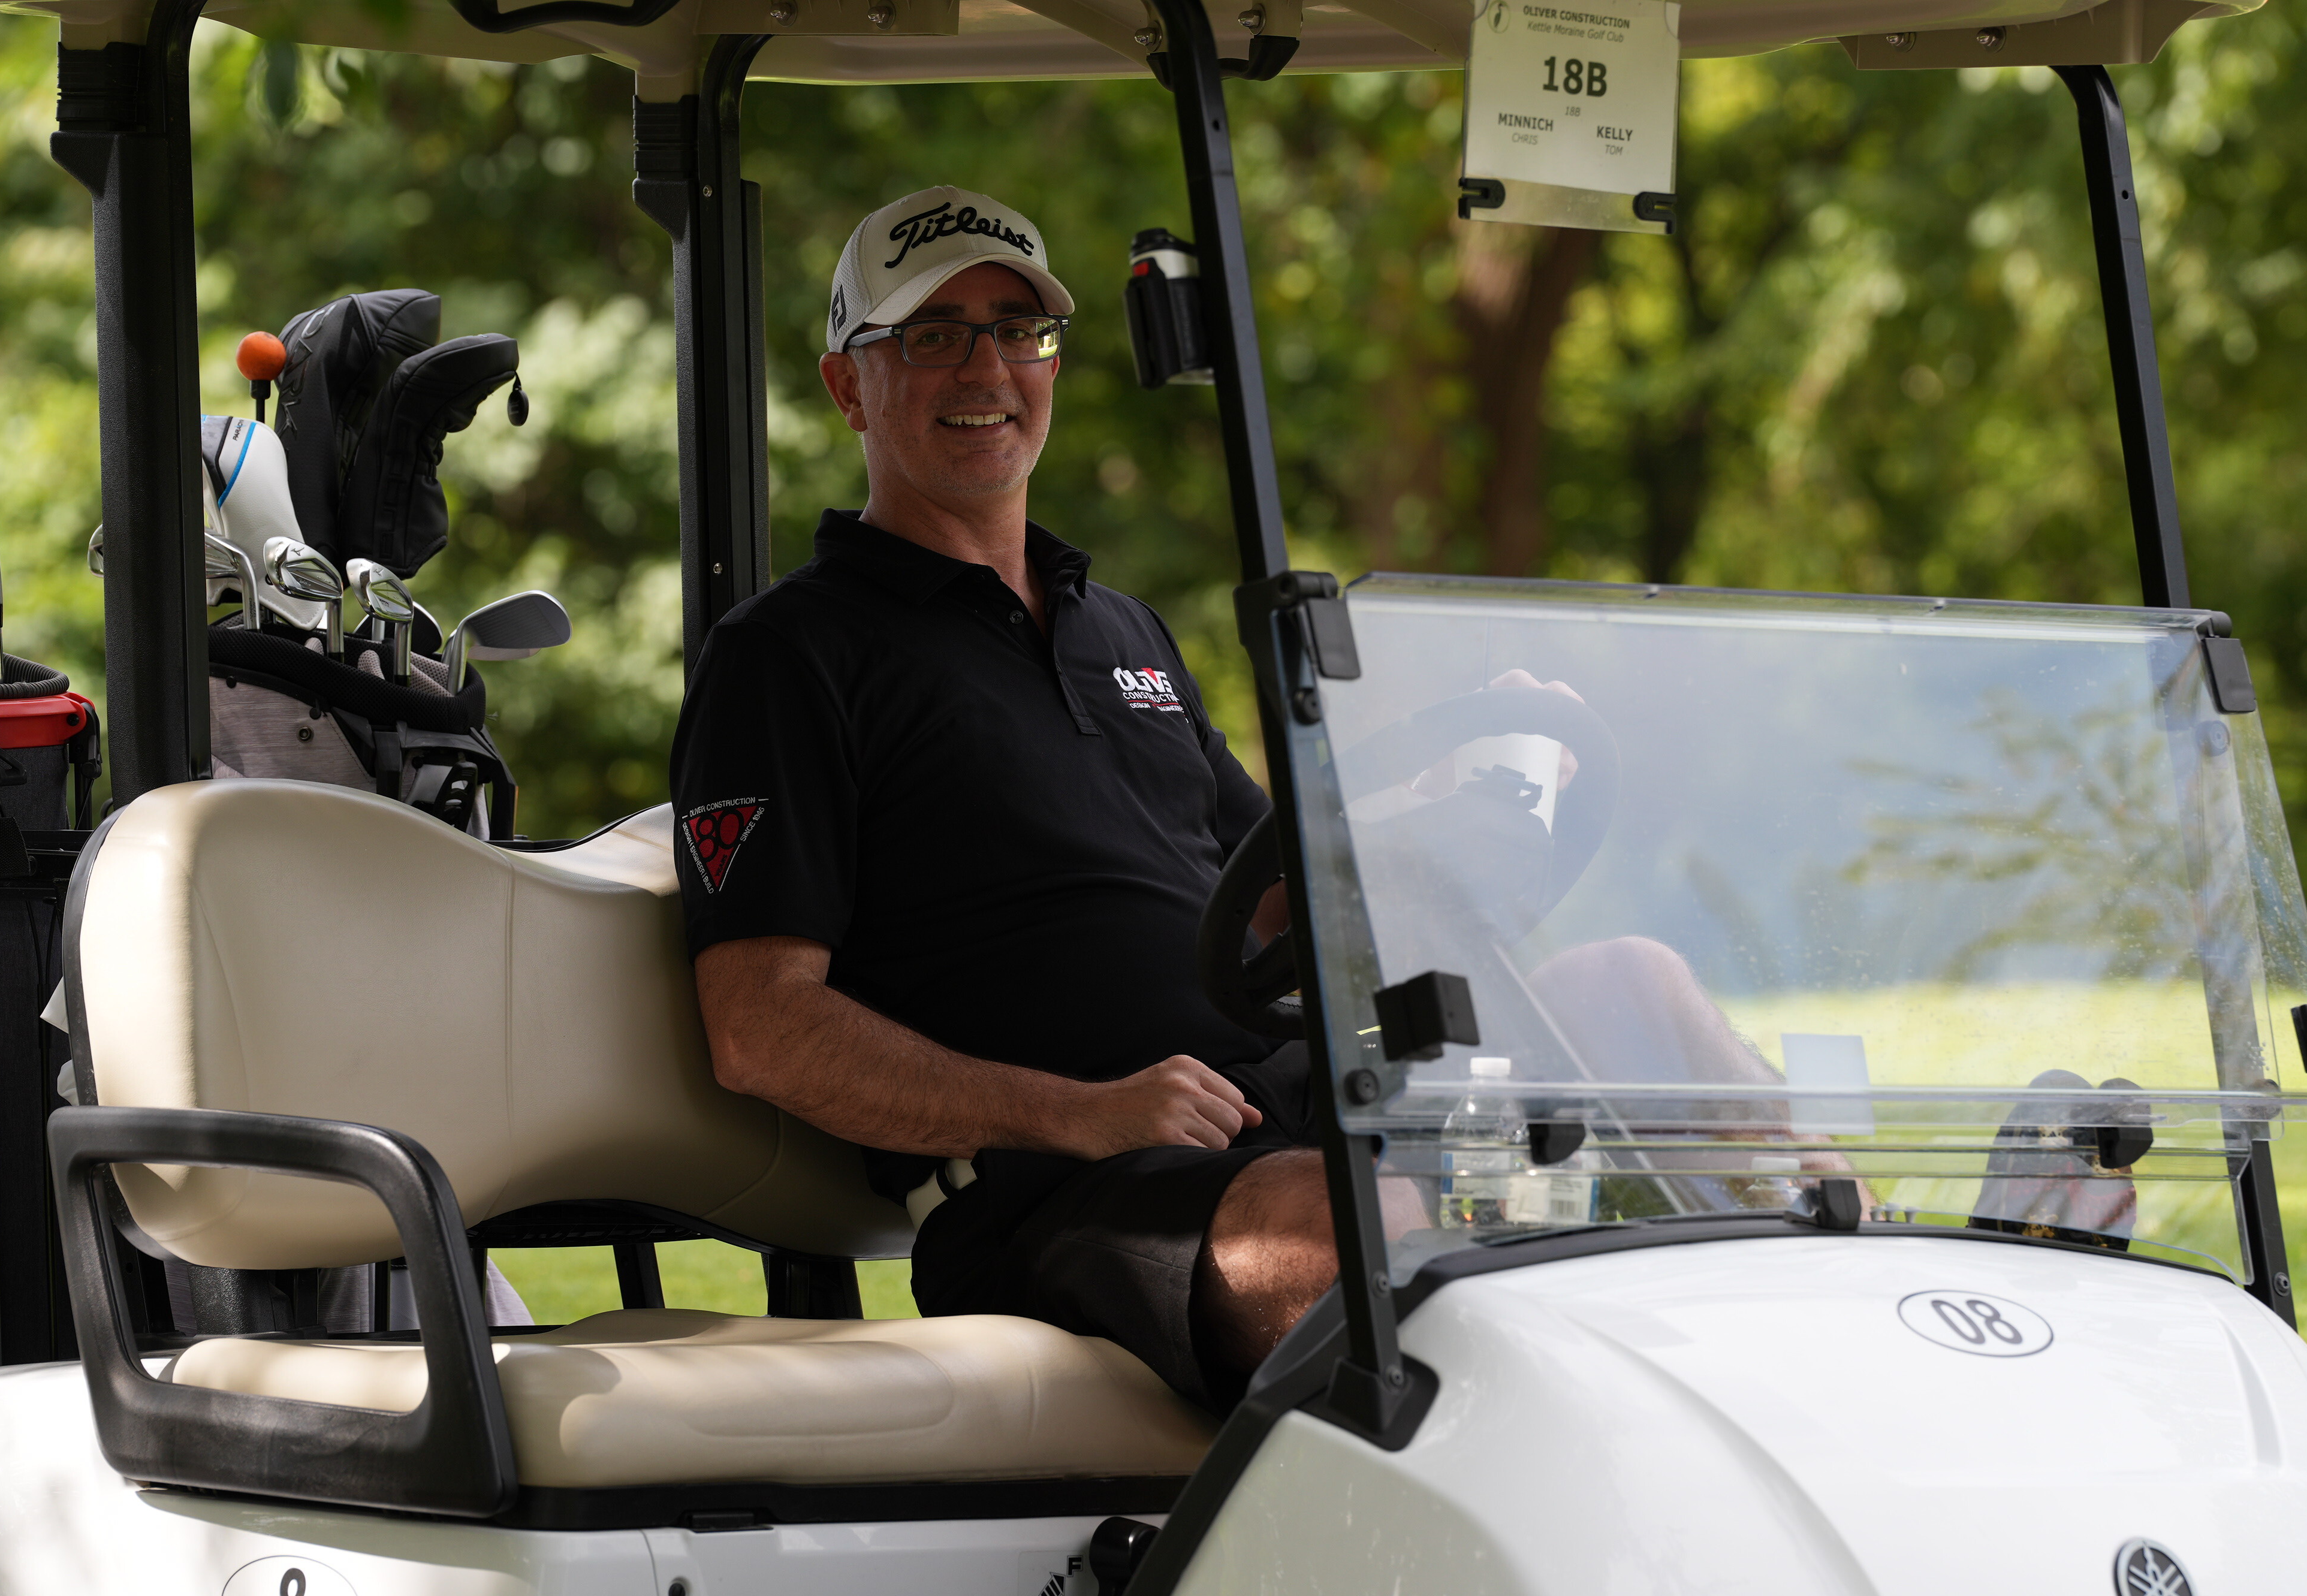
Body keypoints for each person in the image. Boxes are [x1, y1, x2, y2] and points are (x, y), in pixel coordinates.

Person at [668, 186, 1777, 1411]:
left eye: (1019, 331)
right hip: (1065, 1188)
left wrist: (1457, 798)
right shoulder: (790, 655)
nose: (986, 368)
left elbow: (1279, 906)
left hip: (1298, 1108)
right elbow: (760, 1027)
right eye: (933, 336)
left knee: (1635, 986)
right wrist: (1080, 1113)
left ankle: (1844, 1341)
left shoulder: (1122, 631)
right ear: (848, 386)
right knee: (1373, 1230)